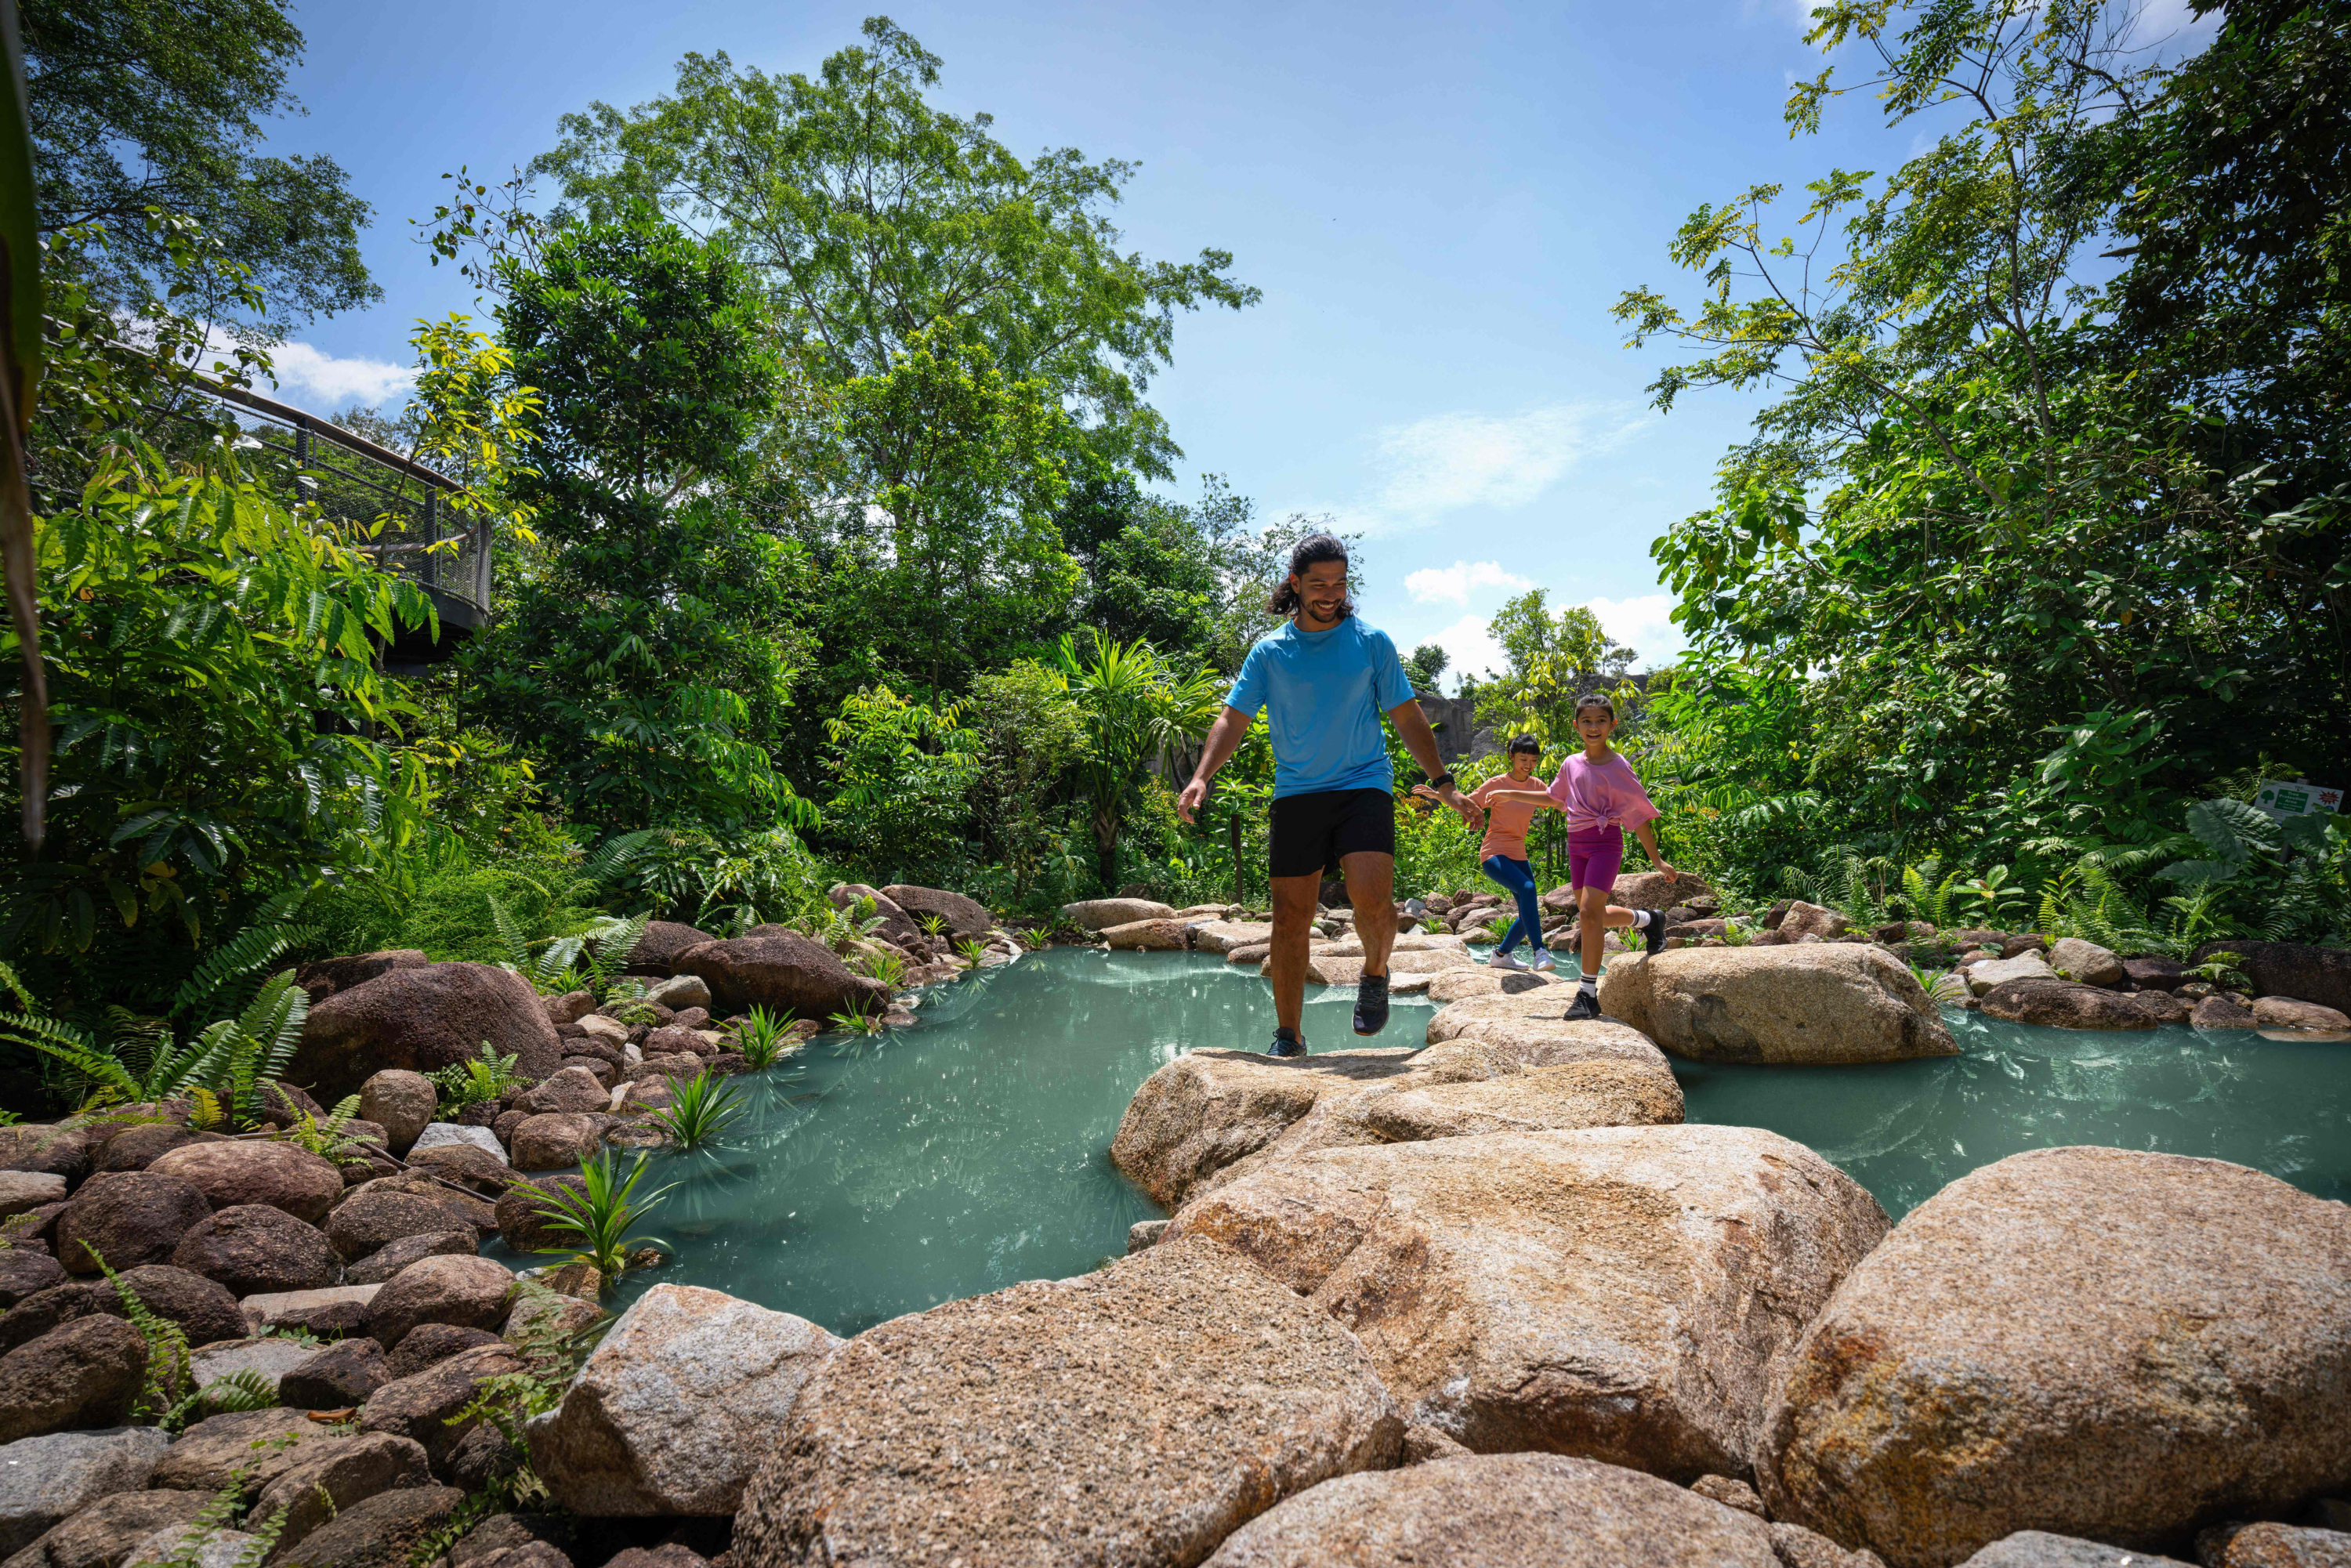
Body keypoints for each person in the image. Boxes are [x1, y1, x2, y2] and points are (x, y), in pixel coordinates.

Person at [1178, 533, 1481, 1056]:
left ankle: (1375, 972)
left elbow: (1407, 717)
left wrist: (1444, 785)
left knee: (1373, 900)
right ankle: (1289, 1036)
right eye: (1318, 583)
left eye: (1339, 582)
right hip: (1298, 793)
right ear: (1295, 584)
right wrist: (1203, 775)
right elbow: (1233, 717)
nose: (1330, 593)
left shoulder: (1371, 642)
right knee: (1289, 918)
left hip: (1364, 784)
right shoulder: (1270, 652)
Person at [1478, 693, 1673, 1020]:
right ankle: (1650, 920)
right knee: (1593, 915)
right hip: (1576, 844)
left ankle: (1587, 994)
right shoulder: (1571, 763)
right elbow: (1553, 797)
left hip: (1605, 843)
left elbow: (1639, 815)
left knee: (1587, 913)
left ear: (1612, 724)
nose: (1593, 727)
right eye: (1587, 721)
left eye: (1600, 721)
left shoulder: (1619, 766)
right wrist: (1510, 793)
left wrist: (1657, 860)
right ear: (1576, 725)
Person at [1414, 733, 1558, 972]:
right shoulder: (1496, 784)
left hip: (1519, 854)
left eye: (1533, 761)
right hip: (1494, 853)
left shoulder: (1536, 786)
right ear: (1511, 756)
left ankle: (1500, 955)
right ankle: (1539, 952)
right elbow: (1466, 804)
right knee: (1528, 888)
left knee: (1528, 914)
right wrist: (1439, 795)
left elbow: (1558, 802)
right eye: (1523, 759)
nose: (1528, 765)